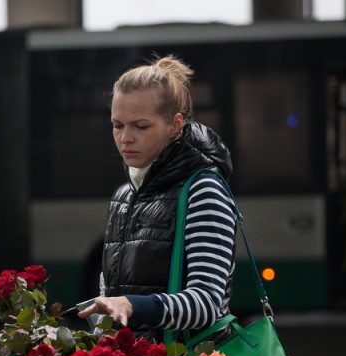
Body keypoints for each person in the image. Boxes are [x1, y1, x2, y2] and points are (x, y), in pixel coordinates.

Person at [79, 56, 236, 341]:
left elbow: (207, 303)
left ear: (175, 125)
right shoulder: (123, 196)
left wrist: (131, 304)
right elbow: (111, 297)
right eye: (117, 125)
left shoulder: (203, 190)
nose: (125, 138)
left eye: (140, 126)